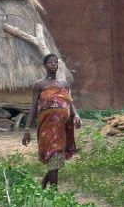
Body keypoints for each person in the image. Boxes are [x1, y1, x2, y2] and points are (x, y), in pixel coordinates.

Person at [22, 53, 81, 189]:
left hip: (62, 126)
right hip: (46, 126)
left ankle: (44, 182)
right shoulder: (39, 85)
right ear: (45, 65)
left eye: (55, 62)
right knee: (52, 154)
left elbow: (69, 102)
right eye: (50, 62)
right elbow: (32, 107)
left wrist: (76, 115)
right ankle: (53, 193)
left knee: (57, 156)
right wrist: (26, 130)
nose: (54, 64)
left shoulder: (64, 84)